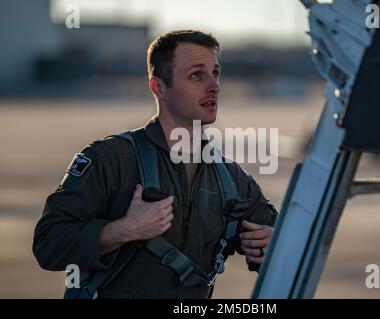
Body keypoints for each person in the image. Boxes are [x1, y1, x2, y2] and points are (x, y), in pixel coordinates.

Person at [33, 30, 278, 299]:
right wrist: (121, 231)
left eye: (216, 73)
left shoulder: (232, 181)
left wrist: (272, 243)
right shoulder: (109, 160)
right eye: (197, 75)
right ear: (158, 87)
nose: (214, 86)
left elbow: (285, 245)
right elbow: (48, 243)